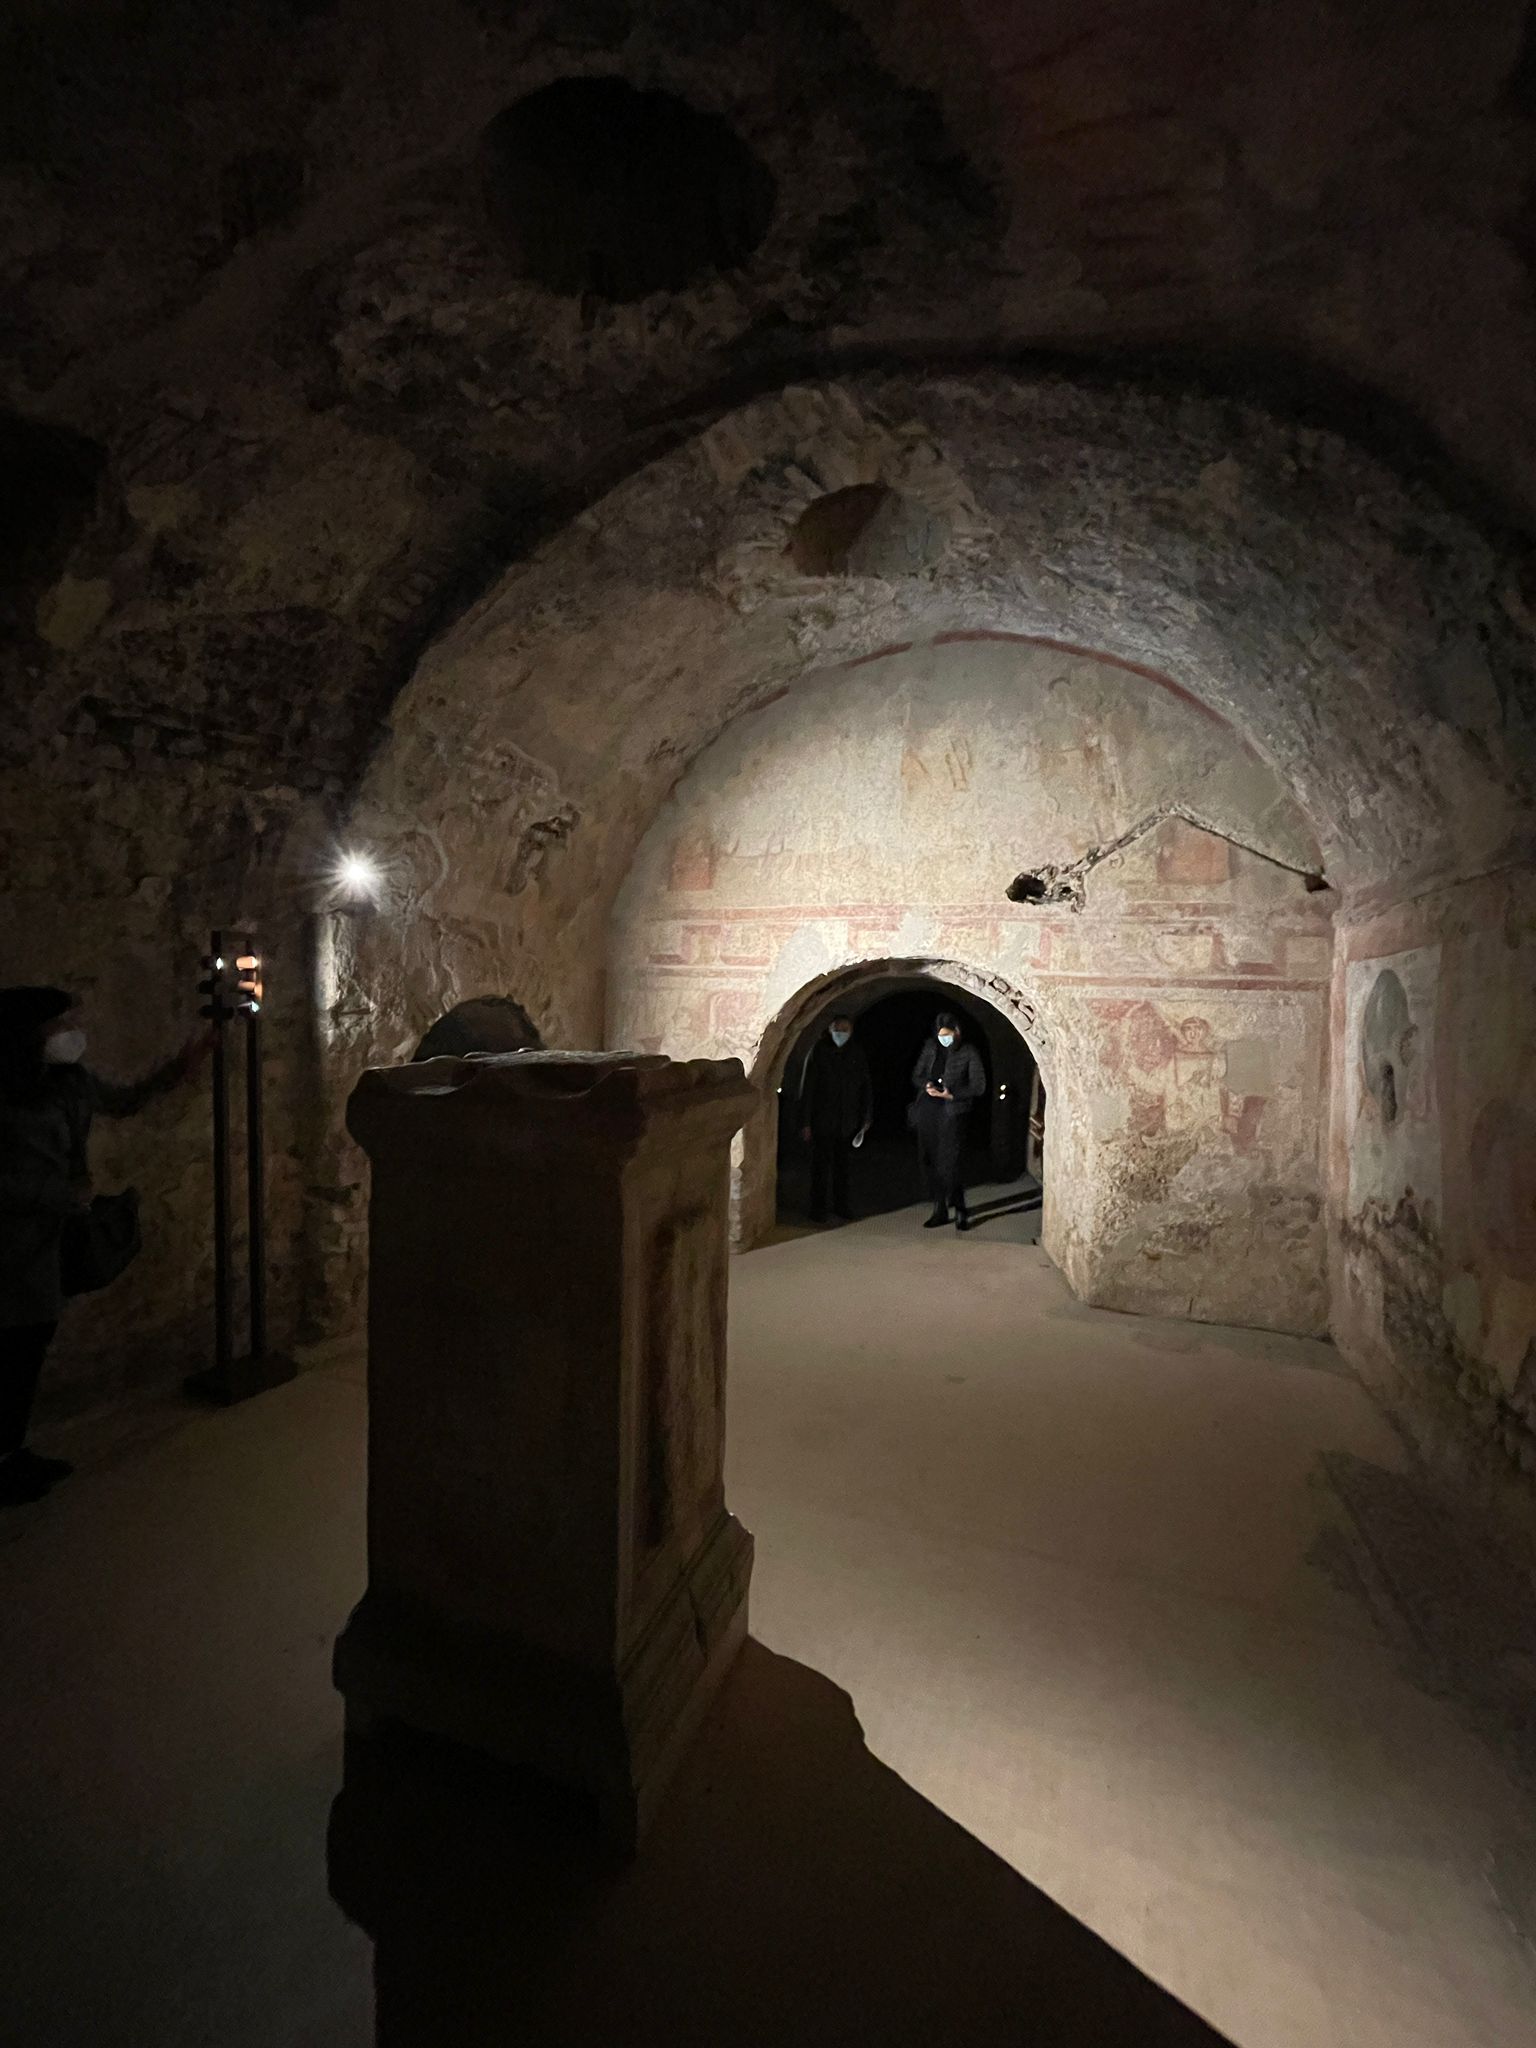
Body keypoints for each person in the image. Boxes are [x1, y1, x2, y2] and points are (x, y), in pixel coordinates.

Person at [0, 986, 208, 1506]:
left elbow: (125, 1100)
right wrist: (60, 1194)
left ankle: (11, 1451)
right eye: (58, 1025)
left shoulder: (69, 1082)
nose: (71, 1033)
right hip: (11, 1250)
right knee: (10, 1353)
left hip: (46, 1245)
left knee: (28, 1350)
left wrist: (182, 1065)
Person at [909, 1010, 985, 1231]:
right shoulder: (930, 1048)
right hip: (928, 1111)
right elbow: (917, 1075)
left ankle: (960, 1208)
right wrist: (927, 1086)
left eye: (948, 1034)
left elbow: (979, 1086)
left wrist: (952, 1094)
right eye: (941, 1035)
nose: (944, 1039)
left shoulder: (969, 1052)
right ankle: (939, 1208)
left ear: (957, 1033)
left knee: (950, 1164)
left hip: (953, 1113)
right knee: (929, 1160)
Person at [798, 1012, 872, 1223]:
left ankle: (841, 1206)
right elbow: (808, 1089)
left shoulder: (856, 1053)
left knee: (843, 1168)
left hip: (847, 1121)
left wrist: (866, 1116)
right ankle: (818, 1208)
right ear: (830, 1030)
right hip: (822, 1120)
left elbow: (866, 1086)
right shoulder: (819, 1052)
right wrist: (805, 1122)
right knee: (820, 1167)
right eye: (837, 1030)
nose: (840, 1033)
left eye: (844, 1030)